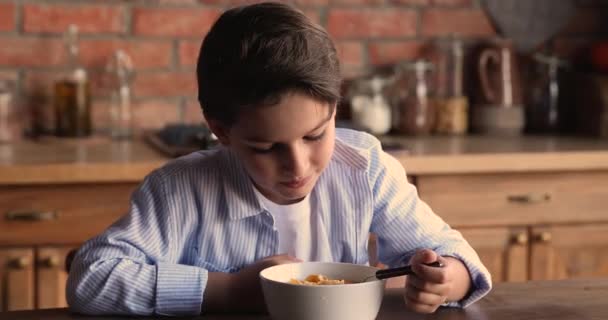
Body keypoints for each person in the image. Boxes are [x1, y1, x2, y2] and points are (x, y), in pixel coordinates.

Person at [66, 2, 491, 316]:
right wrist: (229, 291)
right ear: (221, 130)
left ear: (335, 109)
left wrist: (445, 278)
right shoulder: (179, 190)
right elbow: (91, 280)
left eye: (315, 135)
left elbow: (457, 258)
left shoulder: (365, 168)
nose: (298, 165)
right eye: (266, 148)